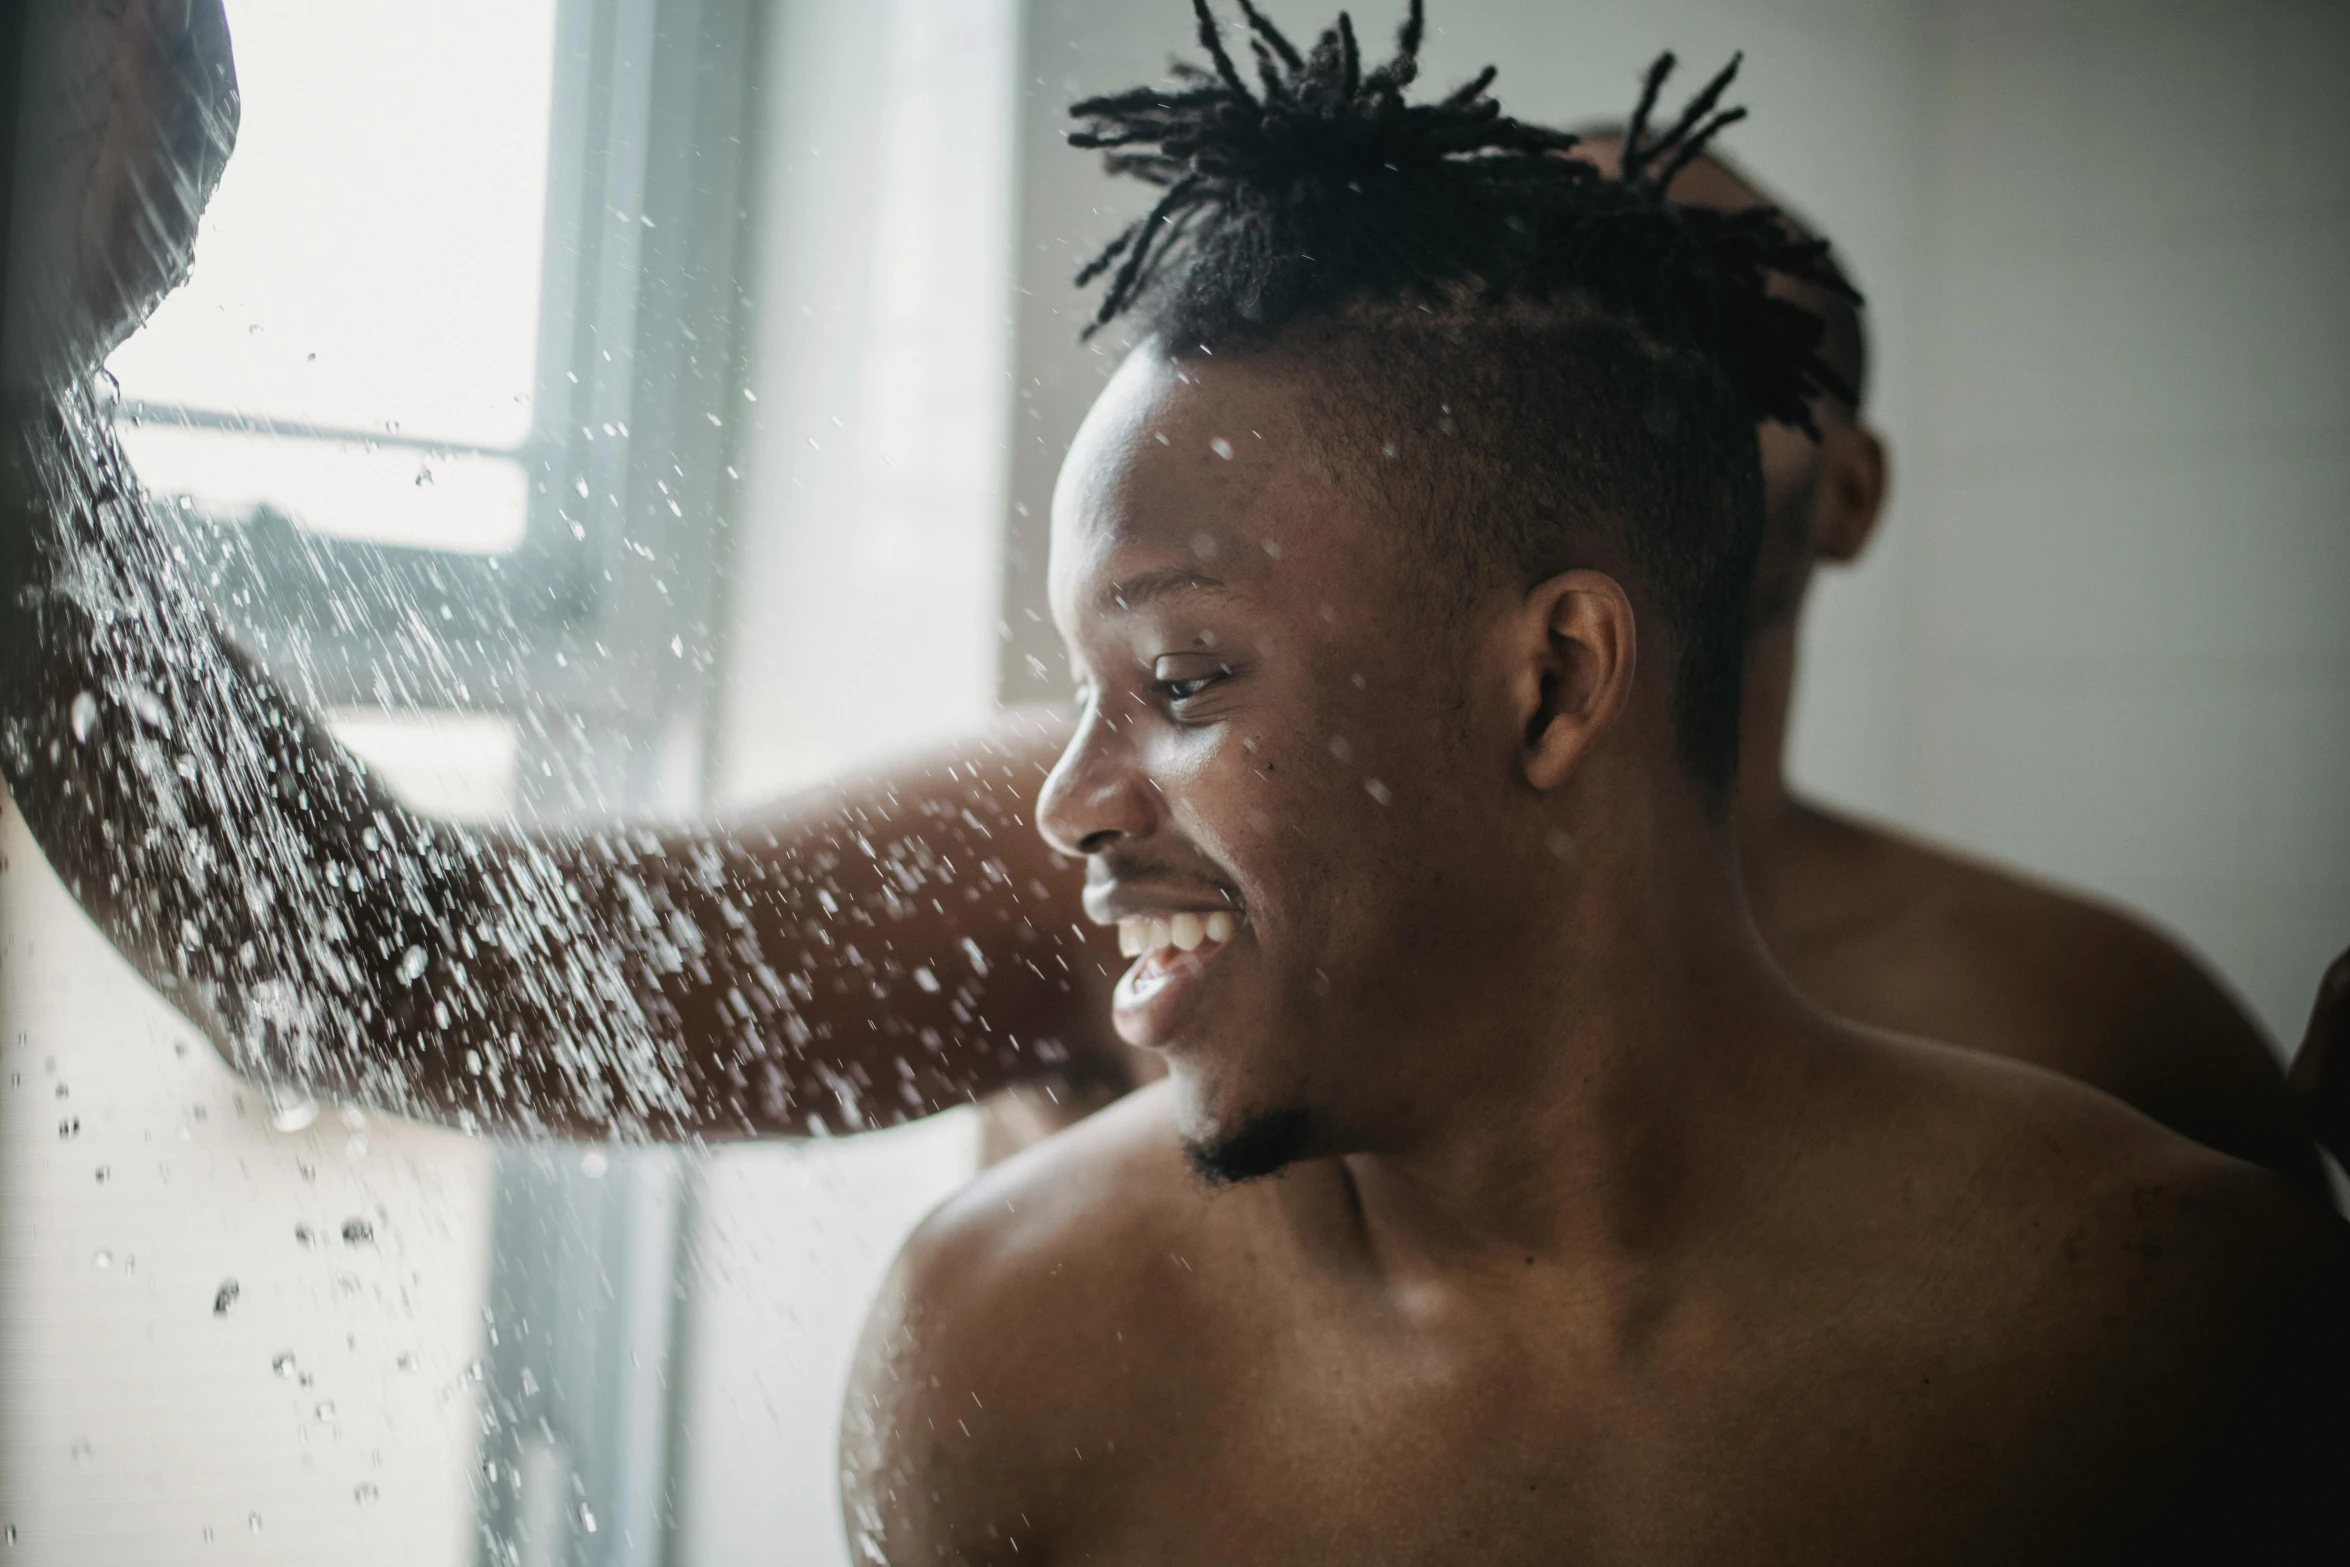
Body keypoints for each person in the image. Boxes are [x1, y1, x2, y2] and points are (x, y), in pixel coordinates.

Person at [1, 2, 2339, 1174]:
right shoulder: (1123, 876)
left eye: (1702, 339)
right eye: (1525, 312)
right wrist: (26, 433)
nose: (1604, 373)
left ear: (1841, 491)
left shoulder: (2089, 1043)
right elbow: (397, 973)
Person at [838, 10, 2345, 1562]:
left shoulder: (2156, 1329)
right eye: (1090, 690)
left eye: (1182, 677)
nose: (1066, 800)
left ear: (1554, 680)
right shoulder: (1003, 1346)